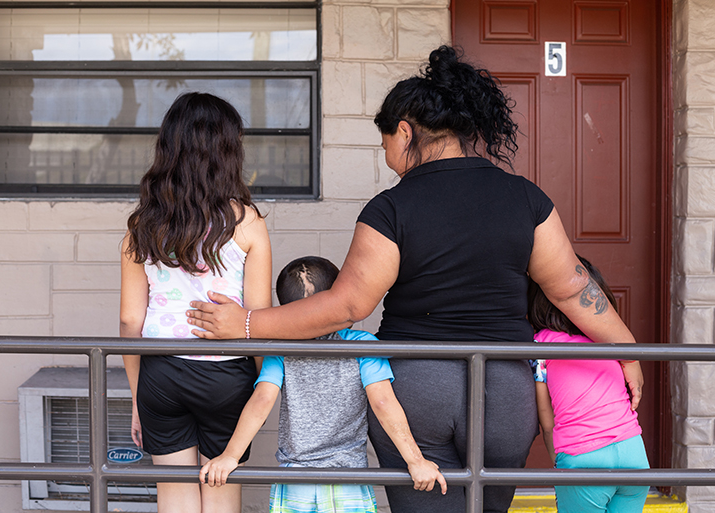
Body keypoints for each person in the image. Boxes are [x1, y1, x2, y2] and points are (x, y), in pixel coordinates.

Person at [185, 45, 644, 513]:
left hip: (418, 388)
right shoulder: (526, 198)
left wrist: (245, 325)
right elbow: (571, 288)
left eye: (385, 142)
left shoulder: (392, 208)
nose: (387, 156)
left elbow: (347, 305)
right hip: (504, 392)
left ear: (405, 132)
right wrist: (627, 352)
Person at [119, 92, 272, 513]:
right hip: (228, 376)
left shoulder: (143, 226)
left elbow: (130, 321)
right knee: (222, 491)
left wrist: (138, 399)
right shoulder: (247, 223)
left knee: (174, 496)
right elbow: (257, 320)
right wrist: (265, 386)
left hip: (160, 373)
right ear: (228, 151)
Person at [198, 256, 447, 512]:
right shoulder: (363, 344)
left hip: (294, 479)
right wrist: (416, 461)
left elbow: (262, 400)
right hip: (348, 478)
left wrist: (230, 456)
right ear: (338, 298)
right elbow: (383, 402)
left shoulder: (280, 349)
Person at [529, 255, 649, 512]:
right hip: (634, 452)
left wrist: (558, 460)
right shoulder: (611, 342)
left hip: (583, 457)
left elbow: (546, 416)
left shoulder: (540, 345)